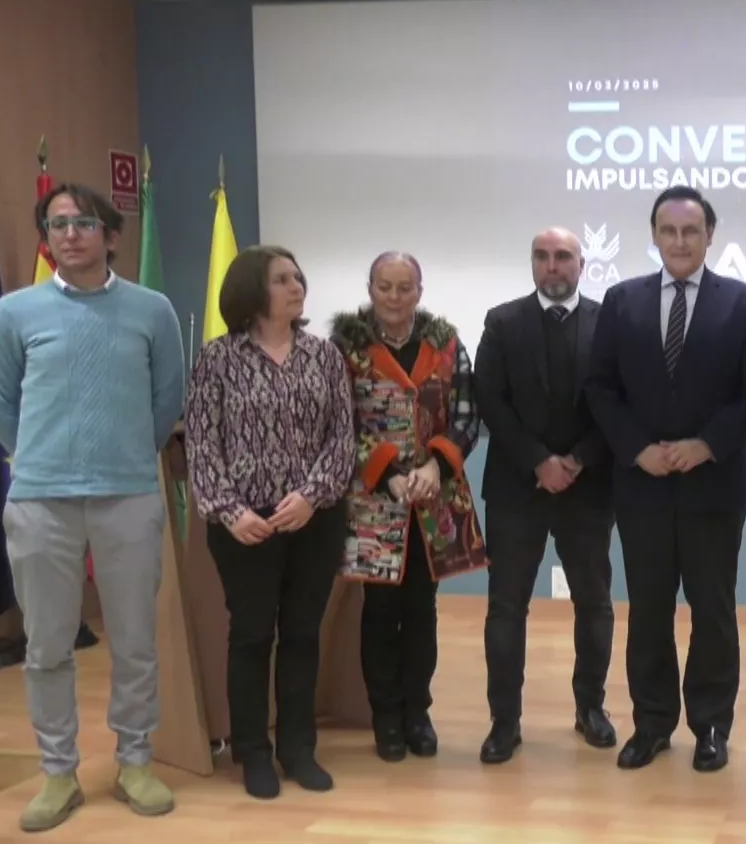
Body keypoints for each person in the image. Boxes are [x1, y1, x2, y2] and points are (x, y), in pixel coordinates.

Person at [0, 182, 186, 832]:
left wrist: (121, 455)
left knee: (133, 641)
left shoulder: (152, 311)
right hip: (41, 500)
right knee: (46, 646)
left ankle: (134, 761)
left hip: (128, 495)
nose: (70, 233)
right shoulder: (16, 313)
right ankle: (58, 771)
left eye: (84, 222)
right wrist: (43, 457)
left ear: (112, 235)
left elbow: (166, 402)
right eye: (58, 223)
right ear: (48, 237)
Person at [586, 185, 746, 773]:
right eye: (669, 231)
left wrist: (706, 444)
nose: (680, 241)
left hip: (713, 486)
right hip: (641, 485)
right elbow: (601, 387)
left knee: (713, 610)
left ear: (710, 235)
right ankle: (652, 723)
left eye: (692, 231)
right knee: (648, 609)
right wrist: (636, 449)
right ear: (655, 236)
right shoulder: (622, 300)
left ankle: (712, 725)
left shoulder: (743, 303)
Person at [185, 245, 355, 799]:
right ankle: (253, 751)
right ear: (253, 291)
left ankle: (298, 749)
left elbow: (342, 439)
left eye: (297, 277)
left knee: (303, 634)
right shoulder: (218, 359)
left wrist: (310, 496)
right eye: (281, 279)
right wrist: (231, 512)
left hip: (314, 519)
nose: (295, 285)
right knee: (253, 636)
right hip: (244, 526)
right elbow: (202, 446)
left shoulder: (325, 356)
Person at [330, 252, 487, 761]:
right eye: (384, 287)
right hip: (374, 500)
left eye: (404, 288)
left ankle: (418, 712)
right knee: (379, 613)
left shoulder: (447, 344)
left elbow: (467, 414)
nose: (394, 298)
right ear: (370, 289)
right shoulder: (345, 348)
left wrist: (434, 469)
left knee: (423, 610)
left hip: (432, 498)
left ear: (420, 290)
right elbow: (338, 424)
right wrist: (392, 474)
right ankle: (386, 719)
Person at [474, 227, 617, 764]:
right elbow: (489, 398)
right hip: (517, 485)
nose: (552, 266)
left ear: (582, 264)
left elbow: (618, 403)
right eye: (542, 256)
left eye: (563, 257)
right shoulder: (502, 321)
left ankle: (591, 710)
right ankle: (504, 723)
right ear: (532, 263)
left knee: (594, 603)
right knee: (506, 608)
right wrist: (539, 460)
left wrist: (576, 460)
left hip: (589, 486)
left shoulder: (610, 323)